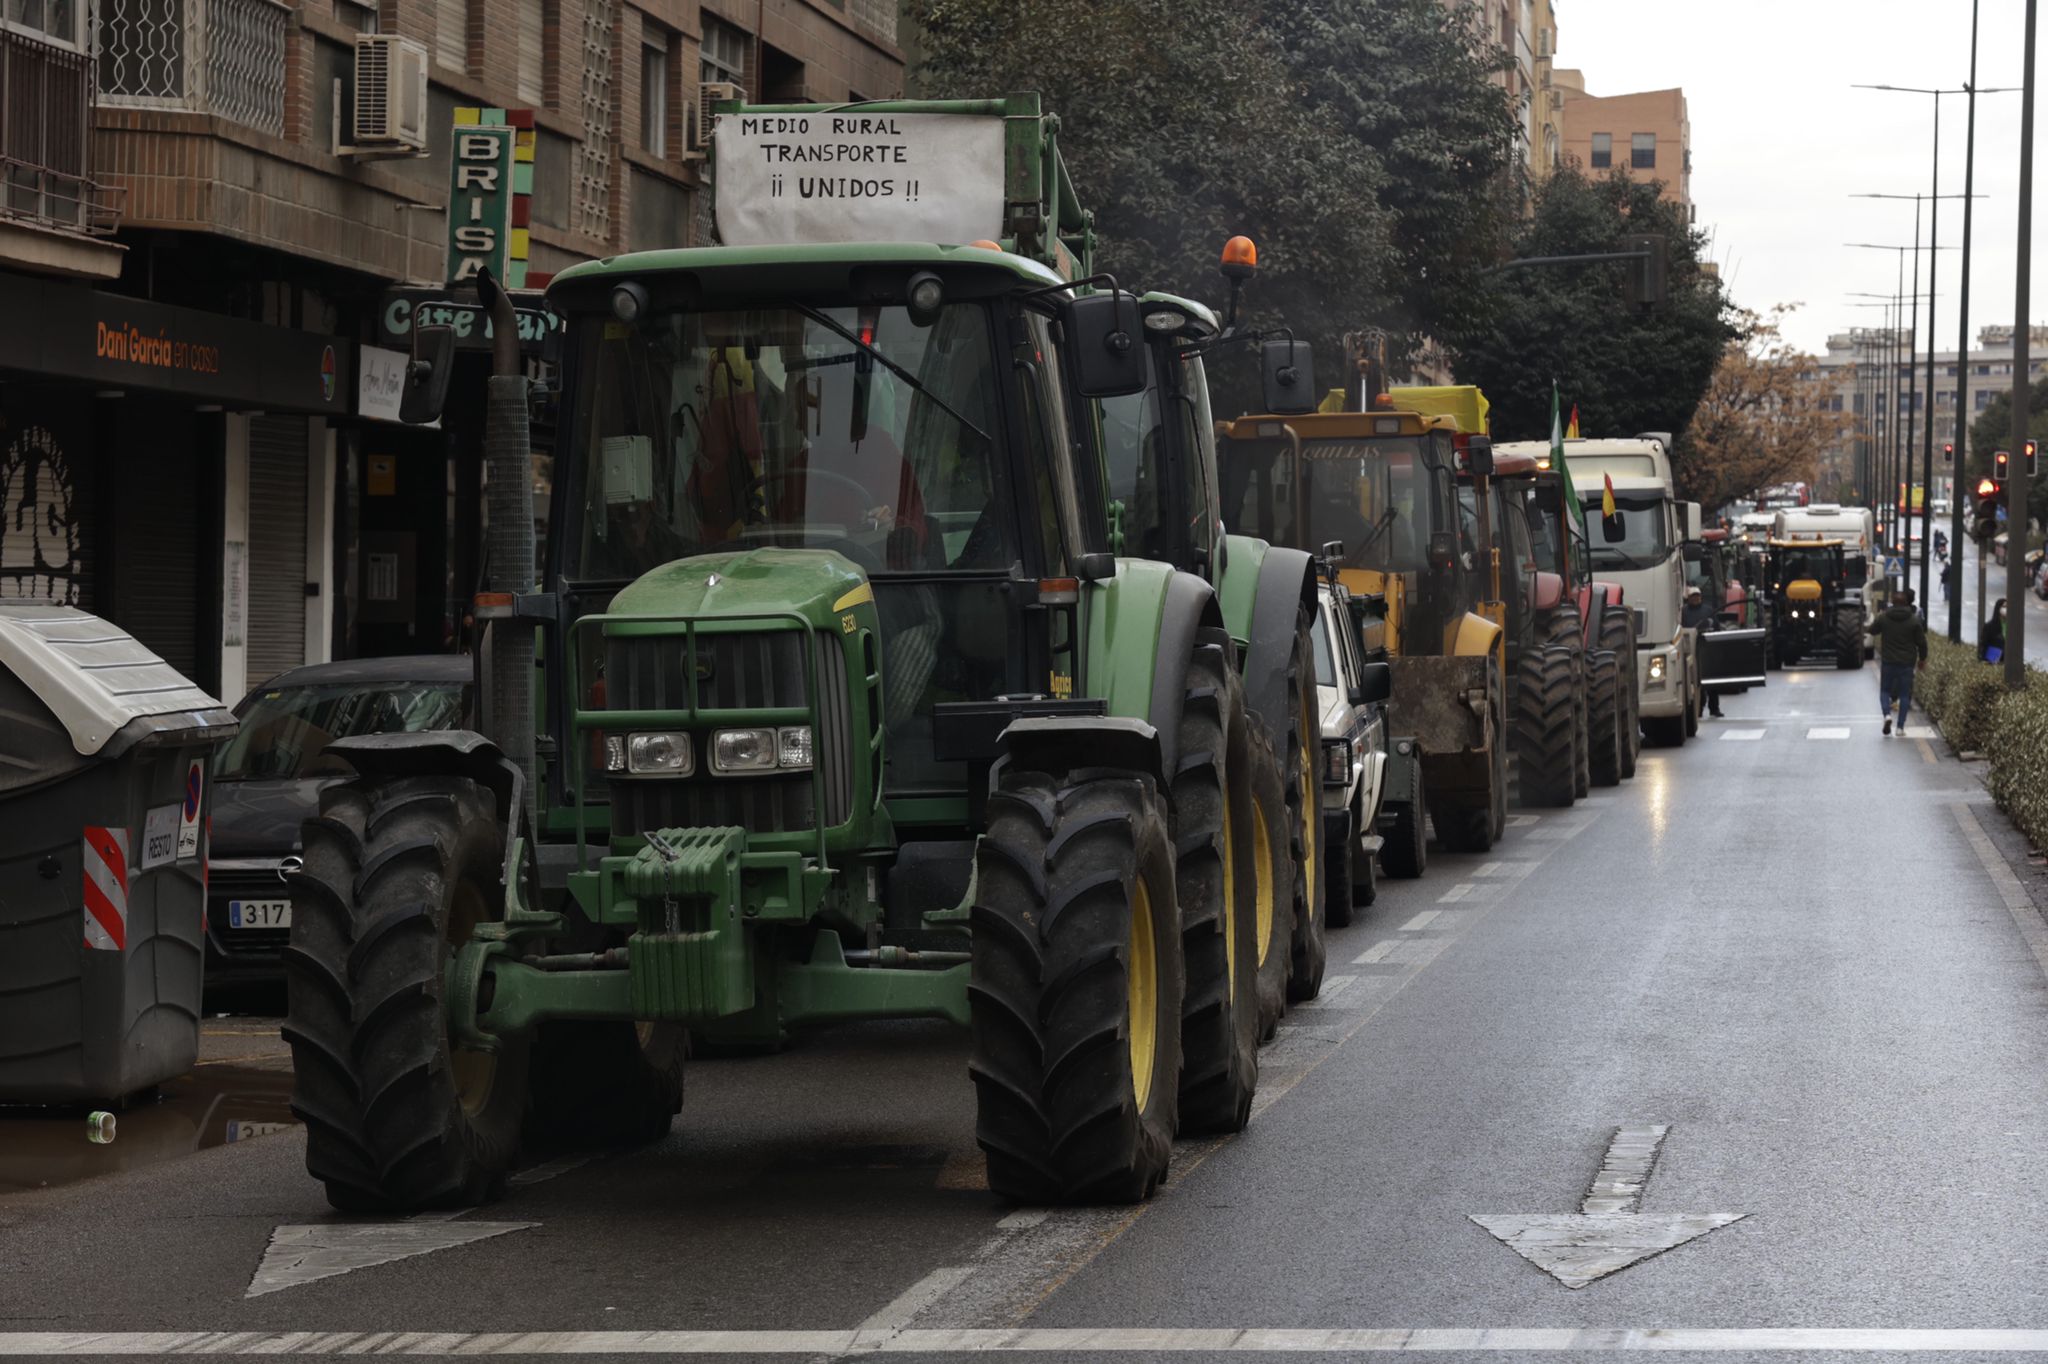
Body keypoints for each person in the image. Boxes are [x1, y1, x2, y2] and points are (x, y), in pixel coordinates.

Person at [1869, 586, 1929, 736]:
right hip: (1907, 663)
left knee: (1884, 691)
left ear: (1892, 603)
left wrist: (1879, 617)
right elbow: (1922, 643)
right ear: (1907, 604)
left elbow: (1872, 630)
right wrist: (1922, 659)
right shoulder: (1914, 620)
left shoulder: (1884, 617)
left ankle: (1887, 715)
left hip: (1889, 661)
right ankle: (1900, 727)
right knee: (1904, 694)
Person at [1681, 585, 1723, 717]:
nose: (1695, 598)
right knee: (1695, 682)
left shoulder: (1708, 610)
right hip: (1691, 650)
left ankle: (1714, 708)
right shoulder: (1683, 612)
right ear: (1688, 598)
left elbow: (1716, 627)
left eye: (1697, 596)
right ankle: (1697, 709)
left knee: (1711, 680)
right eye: (1693, 596)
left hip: (1707, 648)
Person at [1981, 597, 2008, 663]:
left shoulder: (2012, 626)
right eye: (2004, 607)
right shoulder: (1989, 626)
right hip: (1993, 661)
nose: (2006, 609)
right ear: (1998, 608)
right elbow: (1983, 645)